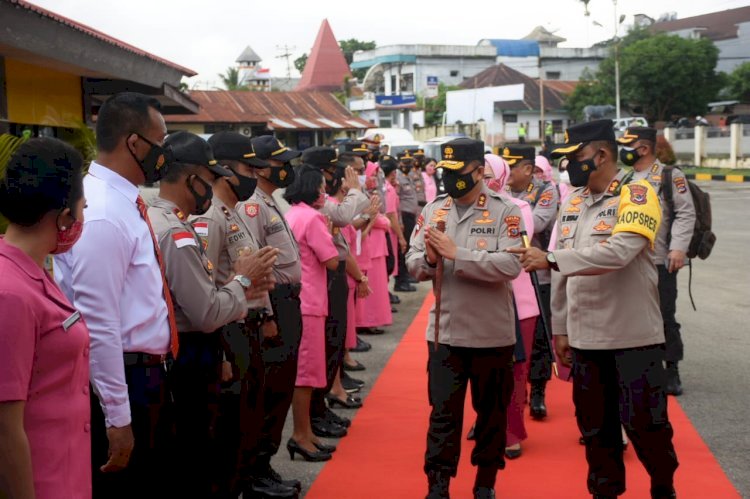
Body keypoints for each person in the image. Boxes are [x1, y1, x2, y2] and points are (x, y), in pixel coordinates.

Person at [509, 119, 679, 499]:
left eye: (575, 157)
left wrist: (551, 258)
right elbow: (562, 274)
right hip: (586, 340)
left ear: (601, 155)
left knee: (646, 426)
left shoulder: (637, 195)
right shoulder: (572, 202)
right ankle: (605, 492)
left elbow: (618, 253)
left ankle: (663, 487)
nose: (568, 165)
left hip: (632, 336)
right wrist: (561, 329)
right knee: (595, 431)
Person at [53, 92, 175, 499]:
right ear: (135, 143)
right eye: (161, 141)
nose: (165, 153)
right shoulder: (103, 212)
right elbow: (99, 324)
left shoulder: (122, 203)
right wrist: (118, 419)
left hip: (145, 374)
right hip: (126, 380)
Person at [148, 131, 277, 498]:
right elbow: (205, 311)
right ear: (193, 179)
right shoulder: (176, 231)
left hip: (194, 348)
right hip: (190, 352)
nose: (213, 186)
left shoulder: (162, 220)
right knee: (198, 453)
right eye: (210, 178)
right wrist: (243, 281)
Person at [407, 138, 523, 499]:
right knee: (443, 416)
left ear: (477, 170)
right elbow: (412, 264)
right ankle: (438, 485)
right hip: (446, 334)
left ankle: (485, 482)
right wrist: (427, 259)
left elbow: (512, 263)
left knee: (491, 416)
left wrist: (459, 255)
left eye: (458, 173)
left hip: (492, 335)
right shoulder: (434, 209)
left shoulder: (507, 211)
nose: (451, 180)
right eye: (446, 172)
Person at [193, 131, 296, 498]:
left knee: (249, 417)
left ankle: (247, 481)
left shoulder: (232, 213)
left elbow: (257, 276)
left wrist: (265, 312)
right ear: (224, 170)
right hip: (229, 330)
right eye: (247, 167)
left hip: (249, 323)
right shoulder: (209, 219)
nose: (255, 175)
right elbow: (205, 286)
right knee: (231, 424)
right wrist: (220, 350)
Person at [0, 138, 90, 499]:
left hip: (66, 475)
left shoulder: (32, 273)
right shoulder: (10, 294)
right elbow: (5, 428)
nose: (83, 218)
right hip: (40, 484)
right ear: (65, 215)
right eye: (82, 207)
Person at [238, 134, 305, 489]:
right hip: (273, 302)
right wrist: (266, 314)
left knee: (280, 388)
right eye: (281, 164)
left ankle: (264, 466)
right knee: (271, 392)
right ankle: (256, 471)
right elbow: (255, 262)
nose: (287, 170)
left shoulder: (268, 199)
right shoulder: (252, 205)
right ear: (263, 168)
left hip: (286, 300)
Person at [617, 127, 696, 396]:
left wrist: (678, 249)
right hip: (630, 259)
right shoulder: (626, 177)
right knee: (633, 316)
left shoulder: (669, 176)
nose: (623, 151)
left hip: (661, 258)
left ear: (644, 148)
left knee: (665, 316)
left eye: (628, 145)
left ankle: (672, 369)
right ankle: (643, 367)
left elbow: (686, 214)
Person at [303, 144, 371, 435]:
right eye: (334, 173)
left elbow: (355, 212)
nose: (338, 179)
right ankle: (318, 410)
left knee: (333, 341)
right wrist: (353, 190)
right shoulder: (316, 202)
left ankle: (324, 404)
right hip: (325, 276)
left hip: (335, 272)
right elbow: (343, 216)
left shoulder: (323, 199)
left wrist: (353, 192)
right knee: (327, 344)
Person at [483, 154, 539, 460]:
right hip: (479, 301)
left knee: (516, 371)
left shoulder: (519, 208)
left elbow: (516, 252)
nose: (483, 178)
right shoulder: (464, 208)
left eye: (489, 173)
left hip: (517, 303)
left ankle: (512, 432)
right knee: (482, 369)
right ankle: (488, 422)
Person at [283, 165, 340, 463]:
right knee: (305, 375)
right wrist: (330, 233)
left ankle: (306, 433)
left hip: (298, 300)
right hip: (311, 302)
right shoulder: (313, 217)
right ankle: (301, 434)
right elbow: (331, 260)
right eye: (320, 187)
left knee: (304, 373)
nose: (324, 192)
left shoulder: (292, 213)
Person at [503, 145, 559, 421]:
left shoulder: (546, 191)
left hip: (539, 274)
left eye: (512, 166)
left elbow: (533, 224)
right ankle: (515, 394)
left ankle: (538, 391)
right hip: (506, 275)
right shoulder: (503, 191)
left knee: (538, 340)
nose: (507, 172)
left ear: (527, 169)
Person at [394, 150, 419, 292]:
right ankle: (401, 280)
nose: (408, 165)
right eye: (405, 162)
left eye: (410, 162)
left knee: (409, 246)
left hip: (410, 215)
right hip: (403, 215)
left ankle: (406, 275)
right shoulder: (397, 177)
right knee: (403, 248)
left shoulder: (408, 176)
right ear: (399, 162)